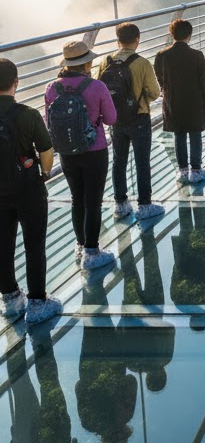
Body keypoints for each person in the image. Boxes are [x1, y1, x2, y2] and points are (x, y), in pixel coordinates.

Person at [0, 58, 63, 325]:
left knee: (2, 244)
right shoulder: (27, 114)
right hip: (28, 189)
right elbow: (46, 150)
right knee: (34, 244)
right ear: (16, 82)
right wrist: (45, 173)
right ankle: (38, 302)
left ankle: (10, 298)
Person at [44, 40, 117, 271]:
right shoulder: (96, 87)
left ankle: (80, 243)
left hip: (67, 152)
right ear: (87, 62)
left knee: (77, 199)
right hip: (94, 150)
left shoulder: (51, 88)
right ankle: (92, 251)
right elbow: (111, 119)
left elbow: (49, 121)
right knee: (93, 201)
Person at [97, 23, 162, 222]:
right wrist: (138, 100)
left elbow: (101, 90)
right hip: (139, 117)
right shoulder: (142, 63)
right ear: (137, 39)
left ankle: (121, 204)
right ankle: (144, 205)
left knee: (119, 161)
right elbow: (155, 92)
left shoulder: (105, 62)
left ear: (118, 40)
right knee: (142, 161)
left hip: (115, 119)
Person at [154, 19, 205, 186]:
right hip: (194, 101)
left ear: (172, 34)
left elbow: (160, 78)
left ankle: (182, 170)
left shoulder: (162, 55)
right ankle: (196, 170)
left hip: (173, 101)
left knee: (179, 135)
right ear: (189, 35)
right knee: (195, 134)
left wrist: (166, 89)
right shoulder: (197, 55)